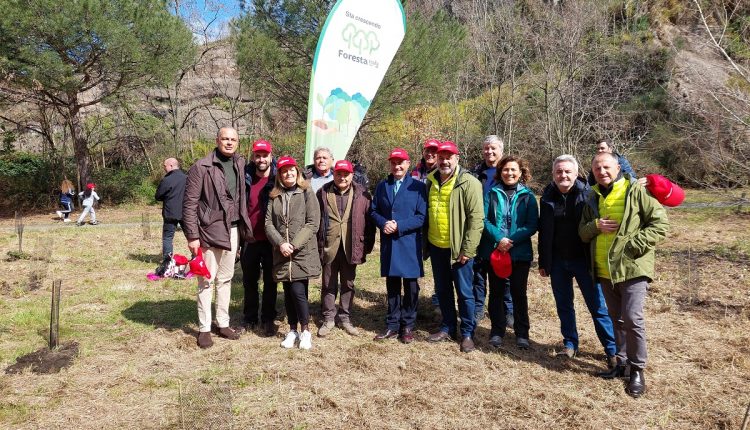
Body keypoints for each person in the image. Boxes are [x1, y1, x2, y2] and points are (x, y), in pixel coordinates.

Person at [579, 152, 669, 398]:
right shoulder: (592, 196)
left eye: (606, 167)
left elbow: (660, 225)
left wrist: (632, 245)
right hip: (604, 268)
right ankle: (622, 363)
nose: (602, 171)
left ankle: (638, 369)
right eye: (597, 168)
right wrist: (595, 226)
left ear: (618, 167)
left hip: (632, 268)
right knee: (616, 317)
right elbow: (583, 232)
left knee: (632, 318)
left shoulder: (636, 191)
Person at [538, 155, 616, 361]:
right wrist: (544, 261)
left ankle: (612, 350)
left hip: (585, 261)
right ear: (553, 174)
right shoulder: (546, 196)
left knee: (597, 307)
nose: (563, 175)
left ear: (576, 173)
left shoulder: (589, 195)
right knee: (564, 306)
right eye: (558, 172)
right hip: (557, 262)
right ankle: (570, 344)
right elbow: (544, 231)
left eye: (567, 171)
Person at [183, 127, 249, 349]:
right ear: (217, 140)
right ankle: (204, 328)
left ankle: (222, 323)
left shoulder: (239, 164)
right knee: (206, 280)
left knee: (226, 278)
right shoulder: (201, 167)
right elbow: (189, 203)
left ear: (237, 142)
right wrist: (192, 236)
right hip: (208, 231)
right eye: (225, 139)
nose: (229, 143)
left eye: (233, 139)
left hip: (233, 230)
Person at [425, 141, 484, 353]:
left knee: (465, 292)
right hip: (436, 246)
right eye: (441, 157)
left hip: (459, 250)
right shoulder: (430, 181)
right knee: (443, 290)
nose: (445, 161)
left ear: (457, 159)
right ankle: (448, 327)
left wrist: (468, 249)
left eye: (449, 157)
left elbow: (477, 219)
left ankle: (467, 332)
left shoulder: (469, 182)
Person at [477, 156, 538, 349]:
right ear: (500, 172)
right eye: (505, 170)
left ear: (521, 173)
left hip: (519, 253)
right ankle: (497, 331)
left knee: (518, 293)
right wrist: (499, 239)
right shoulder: (492, 194)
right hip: (495, 251)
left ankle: (522, 334)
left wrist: (511, 240)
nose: (509, 173)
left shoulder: (528, 196)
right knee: (496, 293)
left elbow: (532, 225)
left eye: (513, 170)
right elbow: (484, 220)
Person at [370, 148, 427, 343]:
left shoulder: (418, 187)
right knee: (392, 285)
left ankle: (408, 325)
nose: (397, 166)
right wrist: (383, 222)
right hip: (389, 244)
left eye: (401, 162)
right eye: (394, 162)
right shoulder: (382, 185)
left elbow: (421, 217)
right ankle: (392, 325)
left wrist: (399, 225)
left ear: (408, 164)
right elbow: (374, 210)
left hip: (409, 243)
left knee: (411, 287)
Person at [265, 156, 321, 350]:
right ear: (279, 175)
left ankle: (305, 331)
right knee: (288, 292)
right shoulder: (274, 195)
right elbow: (268, 223)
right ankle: (292, 330)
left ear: (297, 172)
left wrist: (294, 244)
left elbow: (313, 222)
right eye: (284, 170)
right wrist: (280, 243)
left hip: (301, 252)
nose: (288, 173)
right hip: (281, 252)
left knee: (298, 291)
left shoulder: (306, 191)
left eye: (291, 170)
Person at [316, 159, 375, 337]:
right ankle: (328, 318)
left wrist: (367, 245)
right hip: (329, 246)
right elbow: (315, 220)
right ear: (334, 174)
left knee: (348, 283)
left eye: (345, 174)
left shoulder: (362, 194)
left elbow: (370, 222)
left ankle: (345, 317)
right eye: (339, 174)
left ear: (351, 175)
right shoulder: (323, 193)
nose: (342, 177)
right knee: (328, 283)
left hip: (352, 245)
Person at [471, 135, 514, 325]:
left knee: (504, 272)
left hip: (501, 229)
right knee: (478, 273)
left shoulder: (508, 171)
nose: (489, 152)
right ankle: (478, 308)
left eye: (493, 148)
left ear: (501, 151)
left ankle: (509, 310)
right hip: (479, 228)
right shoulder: (475, 172)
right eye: (486, 148)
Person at [240, 139, 278, 337]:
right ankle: (250, 318)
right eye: (258, 155)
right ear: (253, 156)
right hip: (250, 238)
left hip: (272, 240)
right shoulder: (245, 176)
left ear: (271, 156)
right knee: (249, 281)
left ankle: (269, 317)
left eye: (265, 155)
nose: (261, 159)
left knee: (272, 281)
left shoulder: (279, 176)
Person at [410, 138, 441, 307]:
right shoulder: (415, 171)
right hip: (418, 223)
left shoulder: (443, 171)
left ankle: (438, 298)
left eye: (434, 151)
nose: (430, 154)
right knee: (414, 260)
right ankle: (413, 297)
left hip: (437, 222)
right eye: (427, 151)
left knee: (439, 264)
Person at [155, 158, 187, 260]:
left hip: (170, 213)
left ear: (171, 166)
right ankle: (197, 258)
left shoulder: (166, 180)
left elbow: (158, 196)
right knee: (191, 236)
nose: (164, 168)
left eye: (165, 166)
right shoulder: (187, 178)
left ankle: (167, 261)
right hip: (186, 212)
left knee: (168, 237)